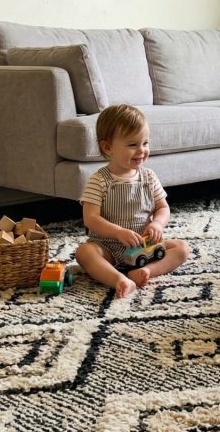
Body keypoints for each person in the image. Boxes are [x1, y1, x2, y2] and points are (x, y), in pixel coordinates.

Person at [76, 104, 190, 298]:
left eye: (145, 143)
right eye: (132, 145)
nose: (141, 151)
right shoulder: (99, 180)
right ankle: (118, 279)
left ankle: (146, 272)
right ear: (108, 147)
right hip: (108, 247)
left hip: (145, 247)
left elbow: (163, 207)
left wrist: (157, 224)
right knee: (84, 253)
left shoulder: (149, 177)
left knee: (182, 248)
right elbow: (91, 219)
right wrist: (118, 232)